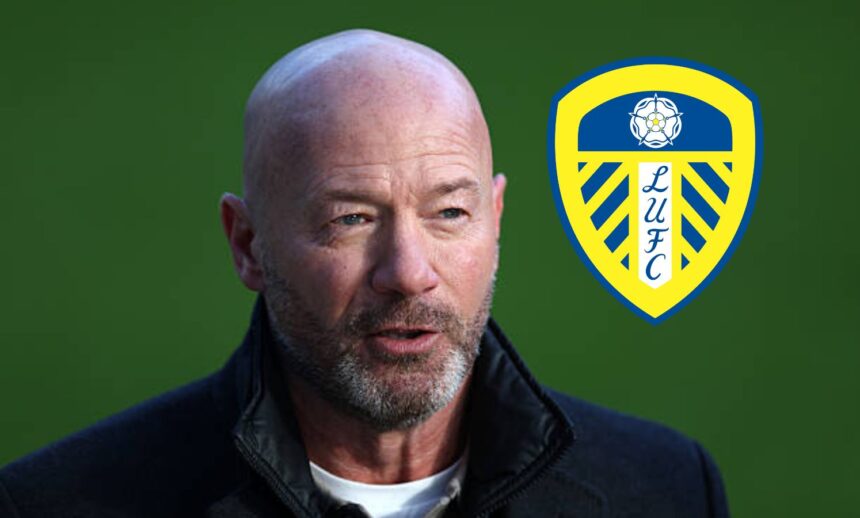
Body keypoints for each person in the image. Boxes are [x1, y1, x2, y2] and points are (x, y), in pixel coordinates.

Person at [0, 29, 729, 518]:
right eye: (350, 219)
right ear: (248, 244)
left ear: (496, 221)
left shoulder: (662, 490)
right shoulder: (64, 502)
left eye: (448, 213)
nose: (409, 274)